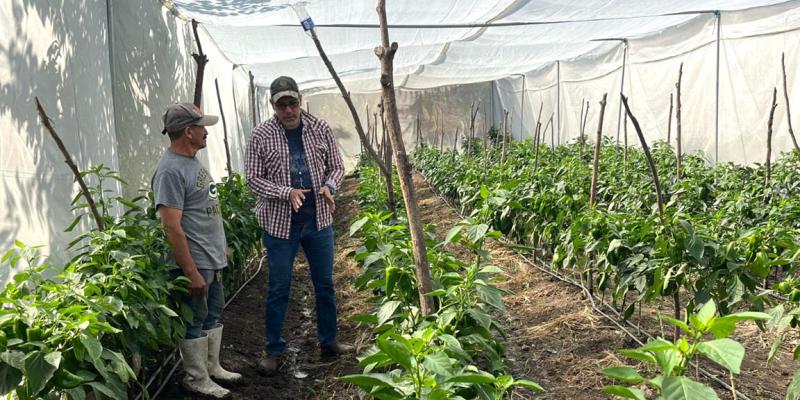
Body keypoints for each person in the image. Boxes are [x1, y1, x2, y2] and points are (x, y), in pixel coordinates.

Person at [245, 76, 351, 375]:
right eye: (282, 105)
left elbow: (337, 166)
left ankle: (329, 340)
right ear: (273, 106)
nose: (288, 110)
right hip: (280, 225)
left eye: (292, 103)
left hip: (317, 221)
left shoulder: (320, 127)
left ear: (300, 101)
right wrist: (285, 192)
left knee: (325, 284)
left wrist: (330, 186)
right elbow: (253, 178)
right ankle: (273, 349)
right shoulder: (260, 135)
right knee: (279, 287)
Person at [152, 102, 242, 398]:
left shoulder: (192, 162)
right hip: (194, 262)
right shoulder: (169, 171)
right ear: (188, 131)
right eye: (202, 127)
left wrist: (221, 245)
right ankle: (195, 377)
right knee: (194, 319)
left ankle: (211, 368)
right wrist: (190, 271)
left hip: (210, 257)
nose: (206, 132)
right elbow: (172, 227)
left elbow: (206, 209)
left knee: (212, 313)